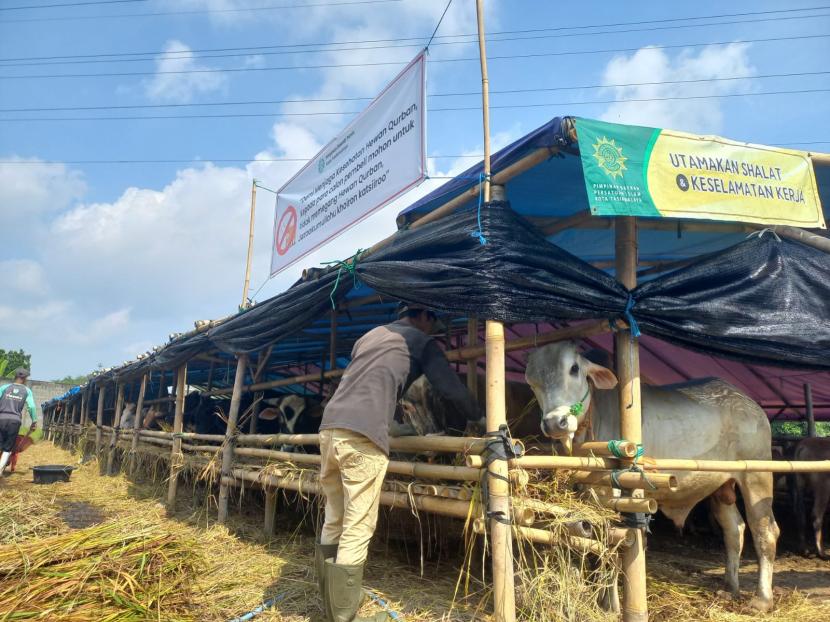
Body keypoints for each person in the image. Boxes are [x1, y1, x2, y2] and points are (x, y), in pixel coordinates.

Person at [316, 303, 481, 622]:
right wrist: (481, 416)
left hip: (330, 428)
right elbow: (450, 388)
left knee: (334, 516)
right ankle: (343, 615)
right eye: (434, 323)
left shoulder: (369, 336)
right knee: (358, 523)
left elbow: (372, 379)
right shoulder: (420, 341)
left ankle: (330, 601)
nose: (433, 330)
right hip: (362, 434)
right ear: (425, 316)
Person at [0, 368, 37, 475]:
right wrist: (34, 421)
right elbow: (32, 407)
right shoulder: (26, 391)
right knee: (8, 448)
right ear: (25, 379)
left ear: (14, 376)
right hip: (14, 421)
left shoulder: (4, 387)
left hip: (1, 418)